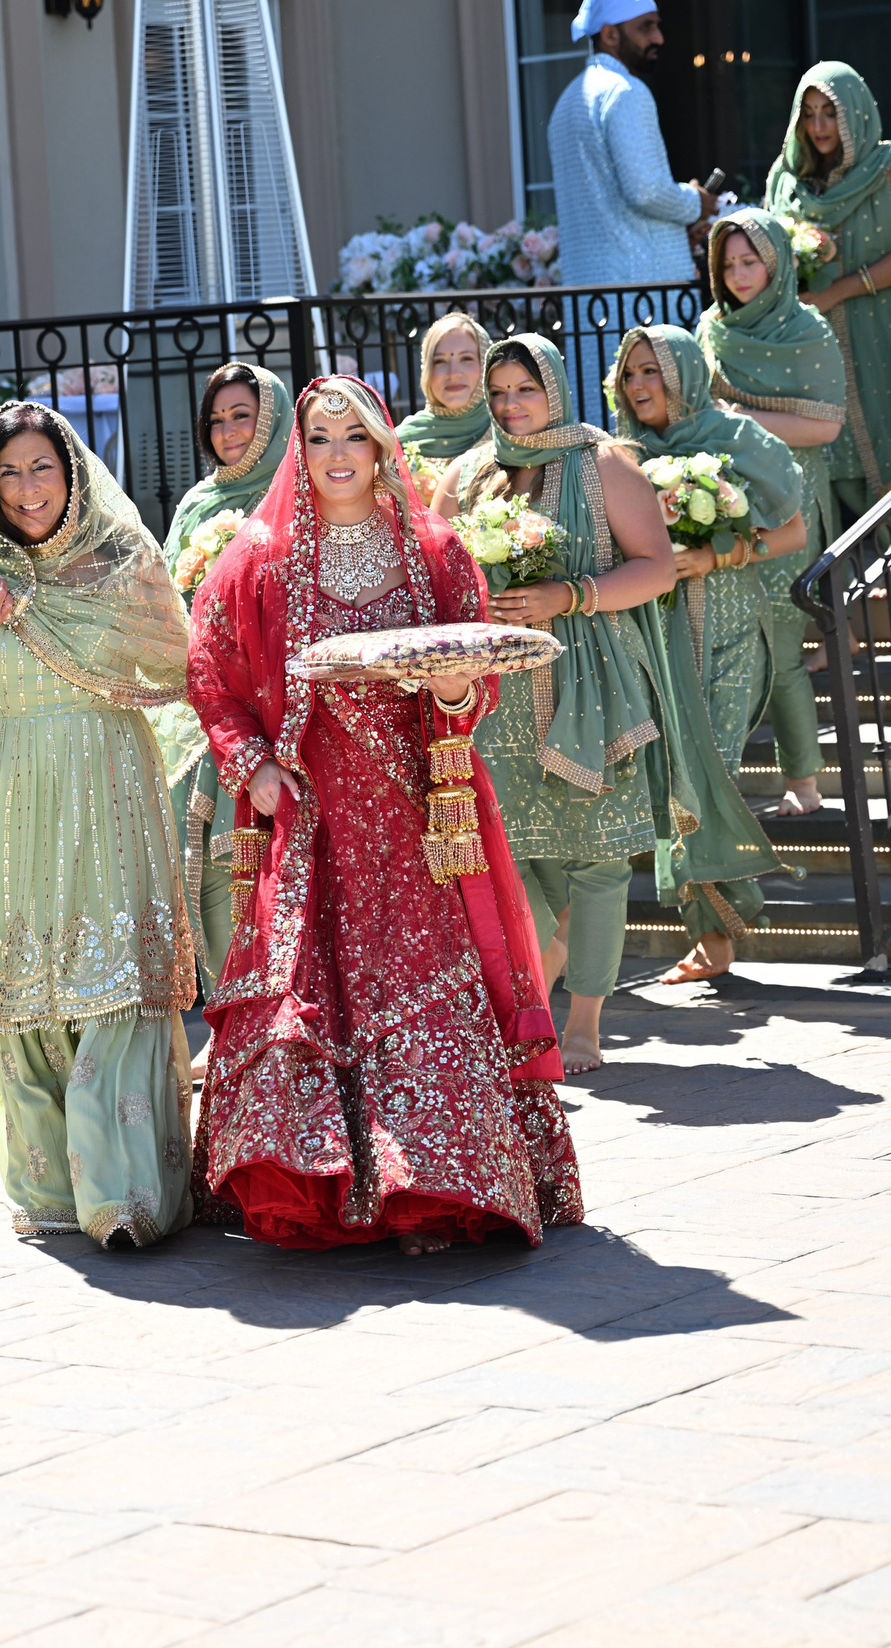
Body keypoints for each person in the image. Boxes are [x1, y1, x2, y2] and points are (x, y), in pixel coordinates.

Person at [187, 374, 580, 1254]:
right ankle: (316, 1190)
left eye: (353, 437)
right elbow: (209, 674)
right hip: (312, 814)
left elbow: (468, 671)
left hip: (415, 818)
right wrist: (249, 767)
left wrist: (453, 692)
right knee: (308, 985)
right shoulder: (259, 557)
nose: (335, 456)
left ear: (379, 447)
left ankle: (433, 1193)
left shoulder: (434, 552)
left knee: (425, 981)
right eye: (318, 437)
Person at [0, 403, 198, 1250]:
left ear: (71, 473)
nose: (28, 489)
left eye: (41, 468)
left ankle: (124, 1195)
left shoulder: (119, 558)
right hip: (10, 794)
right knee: (29, 990)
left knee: (114, 980)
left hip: (108, 782)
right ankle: (47, 1188)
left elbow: (180, 664)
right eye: (9, 473)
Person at [432, 334, 682, 1072]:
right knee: (509, 857)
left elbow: (658, 569)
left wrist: (568, 595)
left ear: (555, 389)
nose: (510, 405)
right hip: (494, 693)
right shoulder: (471, 472)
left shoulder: (600, 462)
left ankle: (585, 1025)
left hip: (591, 680)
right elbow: (437, 569)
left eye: (525, 389)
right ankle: (532, 999)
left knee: (598, 860)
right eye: (499, 391)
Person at [608, 325, 803, 982]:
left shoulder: (736, 439)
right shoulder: (622, 456)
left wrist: (714, 553)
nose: (638, 387)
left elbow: (792, 531)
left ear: (685, 374)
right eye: (629, 374)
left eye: (651, 372)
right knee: (671, 776)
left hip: (726, 627)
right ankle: (713, 932)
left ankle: (719, 928)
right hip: (657, 634)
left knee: (708, 766)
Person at [698, 209, 846, 819]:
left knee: (783, 651)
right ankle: (719, 789)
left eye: (749, 261)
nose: (737, 274)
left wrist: (736, 420)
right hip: (722, 508)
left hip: (785, 507)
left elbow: (827, 424)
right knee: (729, 653)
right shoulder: (711, 327)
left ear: (777, 262)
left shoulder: (806, 329)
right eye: (727, 264)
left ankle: (805, 784)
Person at [159, 364, 294, 1002]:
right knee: (201, 856)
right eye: (216, 419)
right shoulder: (196, 503)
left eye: (242, 415)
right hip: (205, 704)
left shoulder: (301, 490)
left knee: (270, 857)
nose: (227, 430)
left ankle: (276, 1009)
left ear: (271, 420)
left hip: (280, 701)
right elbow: (166, 596)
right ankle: (228, 1007)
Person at [765, 62, 891, 524]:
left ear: (854, 112)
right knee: (822, 452)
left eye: (830, 113)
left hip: (879, 326)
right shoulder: (786, 176)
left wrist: (839, 290)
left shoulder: (890, 165)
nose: (818, 127)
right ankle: (841, 581)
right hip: (806, 338)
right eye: (809, 114)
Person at [548, 3, 714, 298]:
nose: (659, 38)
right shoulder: (626, 91)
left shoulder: (566, 102)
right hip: (644, 303)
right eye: (646, 26)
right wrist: (695, 201)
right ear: (610, 35)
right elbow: (647, 191)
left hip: (588, 304)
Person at [393, 312, 493, 492]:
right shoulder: (398, 442)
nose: (453, 373)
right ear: (427, 370)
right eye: (440, 361)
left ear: (486, 364)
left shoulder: (505, 433)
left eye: (466, 359)